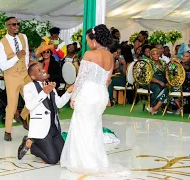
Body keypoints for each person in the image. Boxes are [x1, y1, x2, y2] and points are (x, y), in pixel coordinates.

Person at [60, 24, 125, 174]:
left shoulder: (89, 55)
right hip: (101, 94)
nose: (87, 43)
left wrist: (73, 97)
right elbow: (107, 81)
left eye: (88, 40)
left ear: (94, 41)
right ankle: (97, 160)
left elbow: (80, 79)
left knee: (82, 127)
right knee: (94, 127)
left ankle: (85, 162)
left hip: (87, 94)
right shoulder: (110, 55)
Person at [17, 62, 73, 164]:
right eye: (39, 70)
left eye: (42, 68)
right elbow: (29, 106)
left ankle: (44, 145)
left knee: (64, 157)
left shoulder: (49, 85)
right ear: (33, 76)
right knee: (53, 160)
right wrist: (44, 92)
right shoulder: (29, 87)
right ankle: (32, 145)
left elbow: (59, 104)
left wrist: (69, 92)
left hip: (54, 129)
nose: (43, 70)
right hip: (40, 131)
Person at [0, 17, 31, 141]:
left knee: (33, 98)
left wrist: (26, 68)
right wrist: (16, 57)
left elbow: (26, 53)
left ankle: (22, 116)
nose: (16, 26)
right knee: (12, 104)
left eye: (18, 24)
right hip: (11, 75)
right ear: (7, 26)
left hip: (24, 73)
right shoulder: (2, 43)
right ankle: (8, 131)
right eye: (13, 24)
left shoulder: (23, 37)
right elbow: (3, 66)